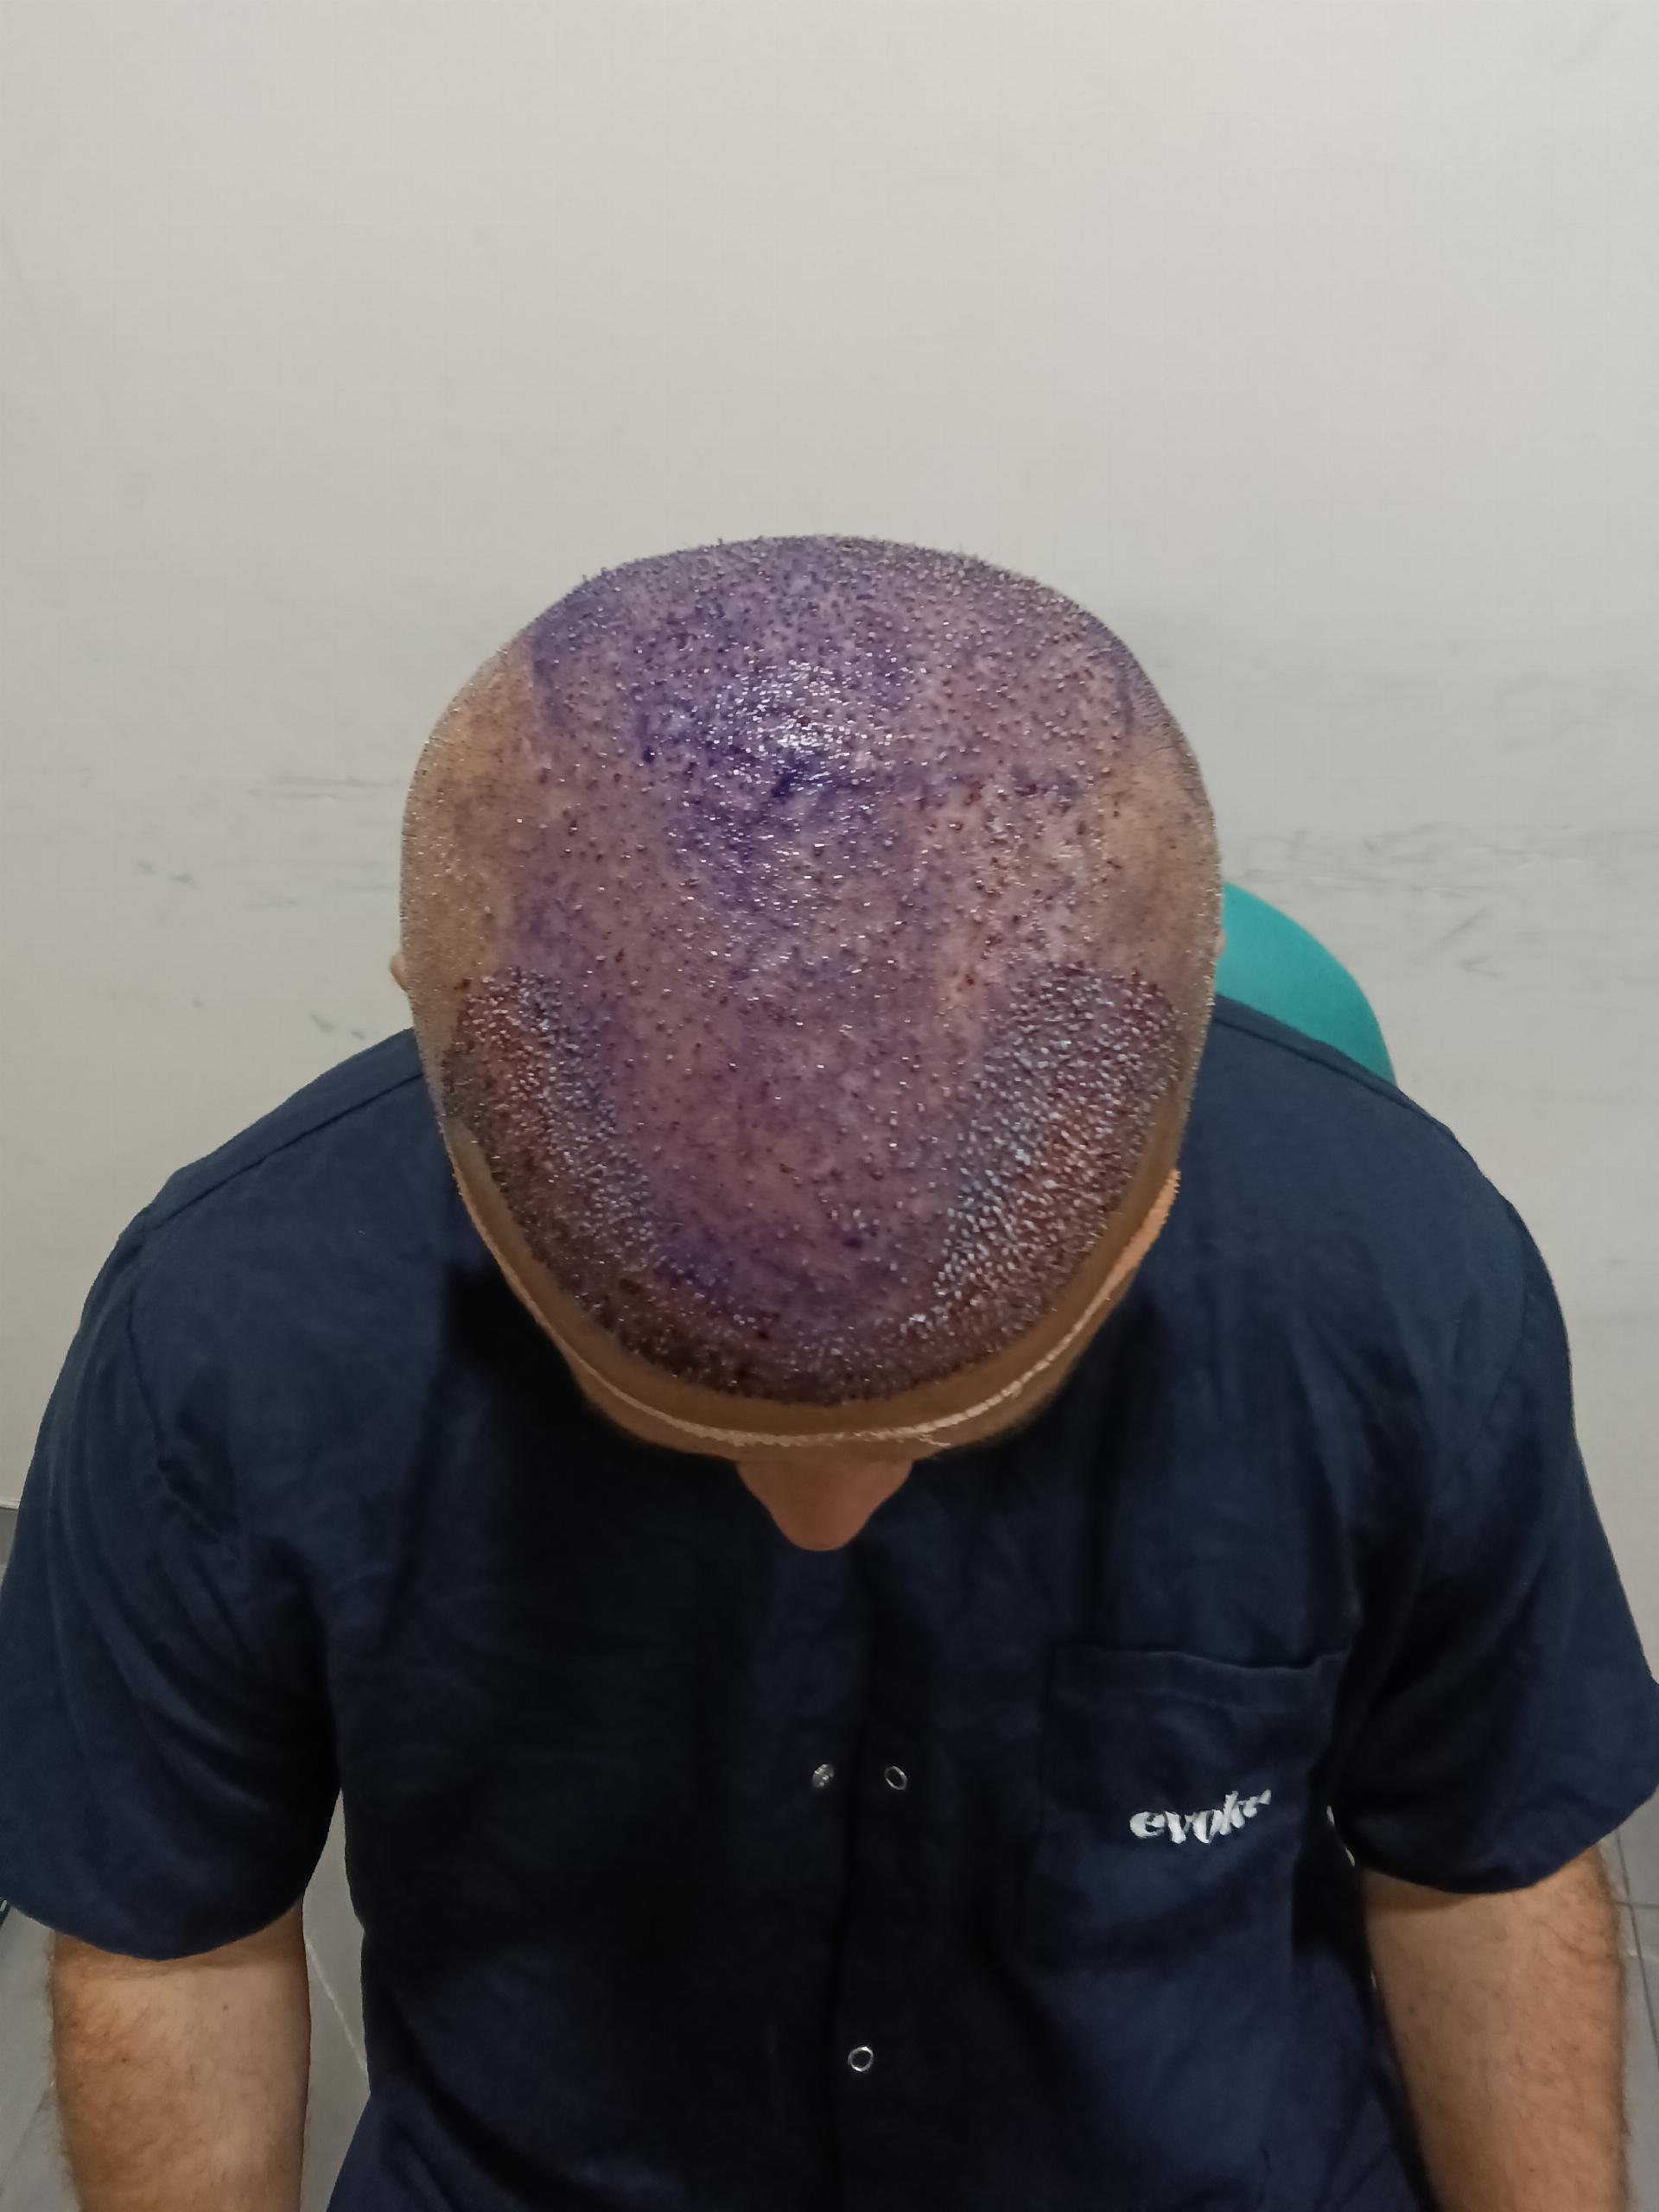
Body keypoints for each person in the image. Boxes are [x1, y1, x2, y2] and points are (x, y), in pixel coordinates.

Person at [0, 535, 1653, 2212]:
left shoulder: (1395, 1274)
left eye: (956, 1424)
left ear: (1157, 1195)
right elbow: (174, 1927)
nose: (822, 1519)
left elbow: (1480, 1857)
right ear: (450, 1071)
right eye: (682, 1425)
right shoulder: (224, 1336)